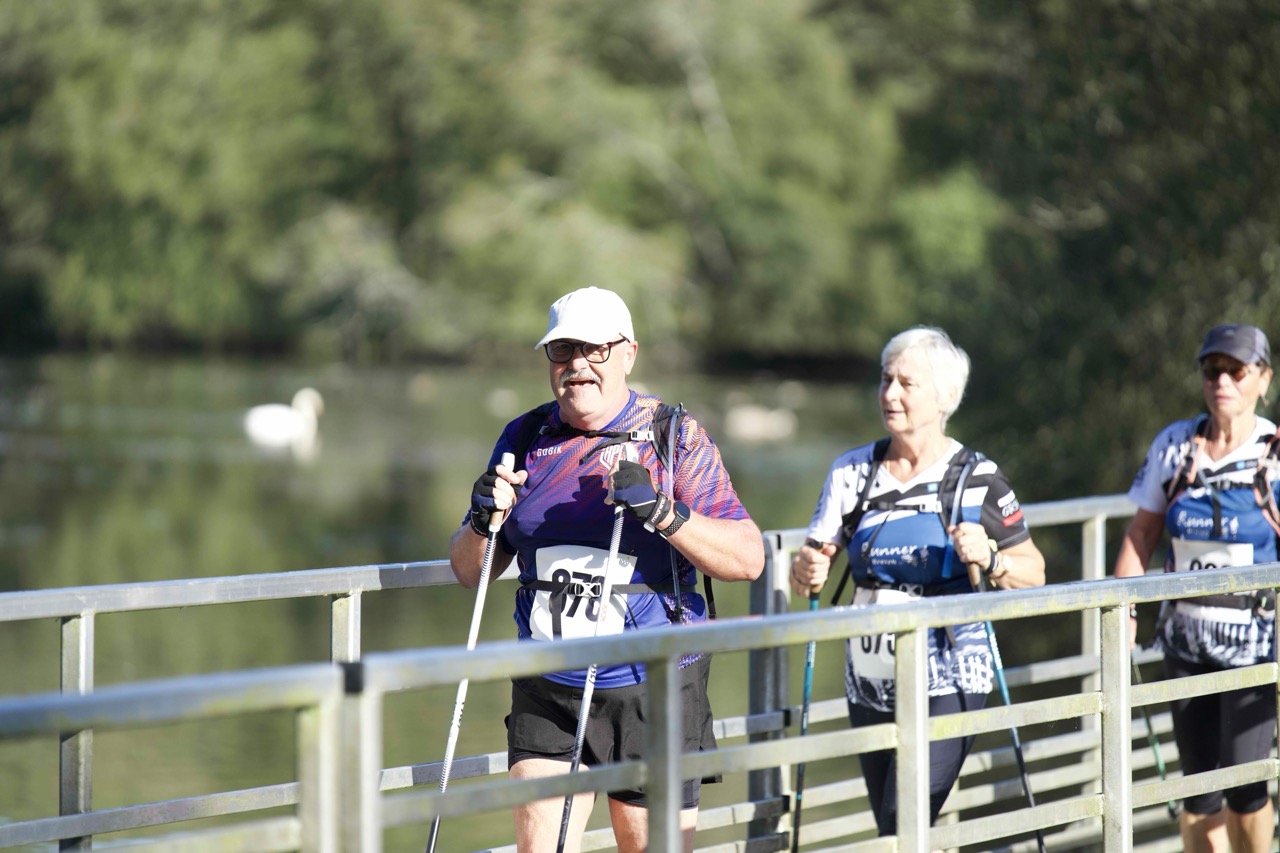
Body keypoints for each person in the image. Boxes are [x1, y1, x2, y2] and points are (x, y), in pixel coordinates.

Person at [449, 286, 764, 853]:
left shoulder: (672, 436)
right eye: (562, 350)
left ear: (628, 354)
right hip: (548, 686)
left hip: (652, 688)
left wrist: (661, 511)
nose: (578, 365)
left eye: (595, 349)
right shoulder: (525, 437)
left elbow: (747, 558)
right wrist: (480, 520)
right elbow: (470, 572)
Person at [790, 325, 1045, 836]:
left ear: (945, 397)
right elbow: (810, 571)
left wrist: (991, 558)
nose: (890, 394)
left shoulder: (977, 477)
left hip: (952, 671)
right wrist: (805, 569)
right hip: (871, 675)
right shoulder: (850, 472)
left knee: (903, 819)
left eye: (907, 384)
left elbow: (1034, 575)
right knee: (896, 831)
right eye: (886, 380)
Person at [1113, 323, 1278, 853]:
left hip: (1254, 645)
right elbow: (1141, 534)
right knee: (1198, 789)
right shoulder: (1175, 445)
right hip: (1185, 641)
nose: (1222, 381)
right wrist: (1122, 611)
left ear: (1263, 379)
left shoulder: (1275, 454)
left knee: (1245, 786)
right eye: (1212, 369)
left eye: (1236, 370)